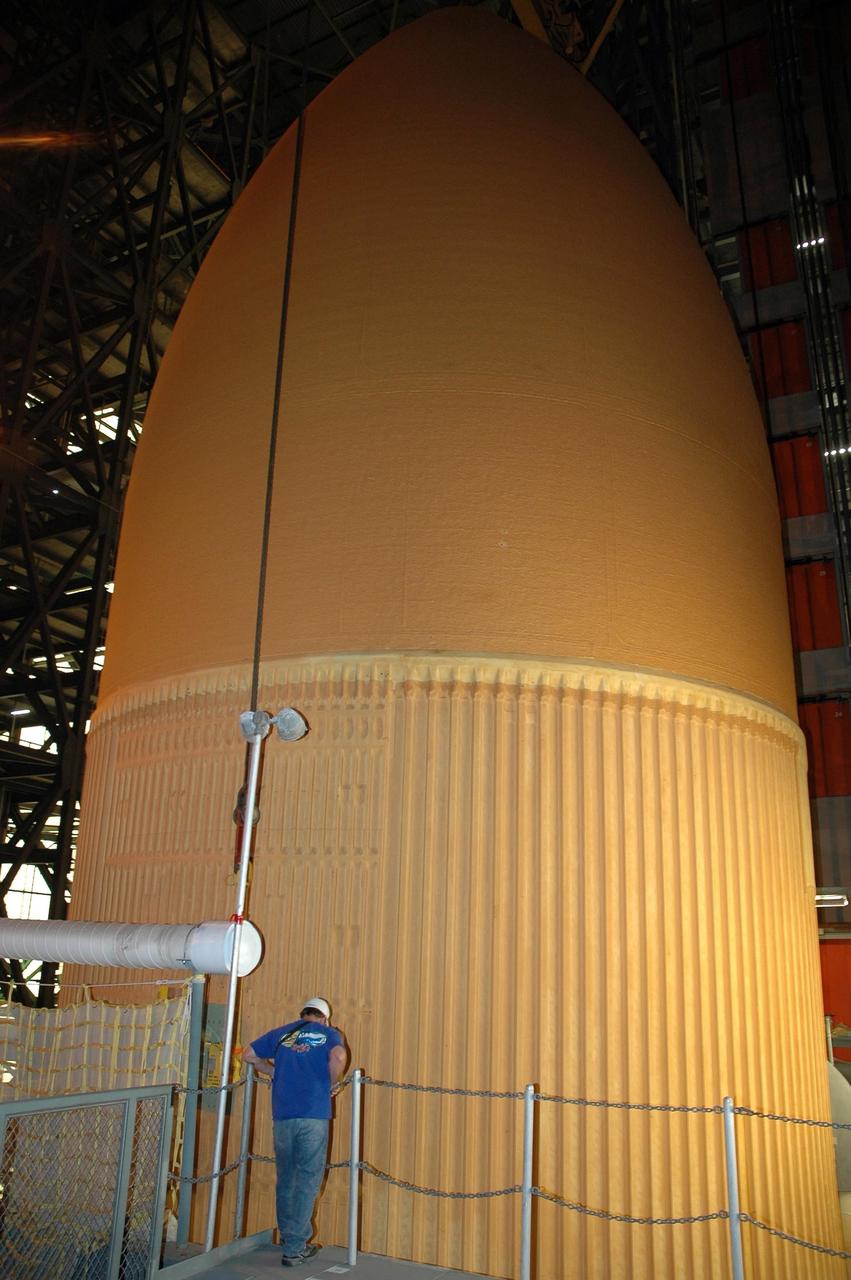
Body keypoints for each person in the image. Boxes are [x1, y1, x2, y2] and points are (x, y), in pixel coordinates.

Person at [243, 996, 347, 1267]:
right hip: (313, 1115)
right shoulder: (329, 1033)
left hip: (283, 1116)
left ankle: (289, 1239)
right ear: (325, 1018)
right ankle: (296, 1248)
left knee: (286, 1178)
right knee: (308, 1180)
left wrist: (272, 1071)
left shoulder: (283, 1033)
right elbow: (338, 1055)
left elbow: (249, 1055)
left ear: (303, 1015)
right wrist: (331, 1081)